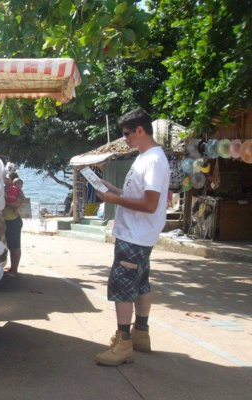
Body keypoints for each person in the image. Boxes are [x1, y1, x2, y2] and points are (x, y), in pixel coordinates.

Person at [93, 107, 170, 366]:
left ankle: (124, 341)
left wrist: (116, 200)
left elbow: (149, 204)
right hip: (139, 235)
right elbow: (140, 196)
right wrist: (115, 191)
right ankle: (141, 334)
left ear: (140, 130)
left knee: (122, 287)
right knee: (140, 284)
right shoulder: (146, 156)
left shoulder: (153, 160)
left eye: (127, 134)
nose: (125, 139)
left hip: (135, 235)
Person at [2, 177, 25, 278]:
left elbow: (17, 204)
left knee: (15, 247)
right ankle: (12, 268)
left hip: (14, 221)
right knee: (11, 246)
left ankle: (14, 270)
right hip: (8, 220)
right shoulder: (8, 190)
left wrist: (4, 204)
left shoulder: (18, 192)